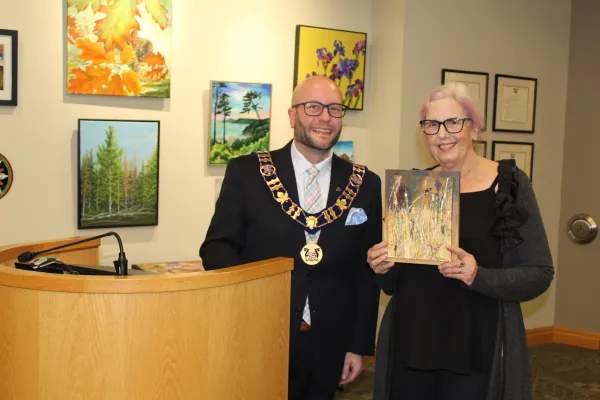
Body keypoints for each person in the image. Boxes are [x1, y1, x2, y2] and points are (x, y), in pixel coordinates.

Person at [367, 83, 554, 400]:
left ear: (475, 128)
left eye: (453, 122)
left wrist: (476, 274)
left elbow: (539, 273)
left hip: (474, 347)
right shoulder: (414, 187)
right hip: (412, 340)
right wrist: (382, 266)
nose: (442, 134)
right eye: (431, 125)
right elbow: (395, 284)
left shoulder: (508, 185)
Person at [200, 75, 382, 400]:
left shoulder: (366, 184)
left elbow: (366, 273)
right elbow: (217, 248)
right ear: (292, 115)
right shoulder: (249, 172)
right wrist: (251, 302)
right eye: (313, 107)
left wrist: (358, 346)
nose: (325, 117)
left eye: (335, 109)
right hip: (260, 335)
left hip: (331, 344)